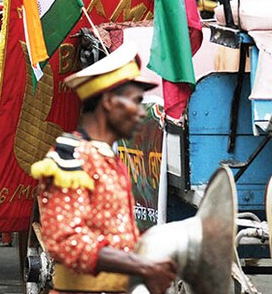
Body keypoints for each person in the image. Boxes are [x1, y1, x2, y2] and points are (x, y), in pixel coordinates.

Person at [31, 42, 177, 294]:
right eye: (136, 102)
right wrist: (141, 266)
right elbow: (68, 241)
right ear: (109, 102)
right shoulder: (71, 160)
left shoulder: (108, 159)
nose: (142, 113)